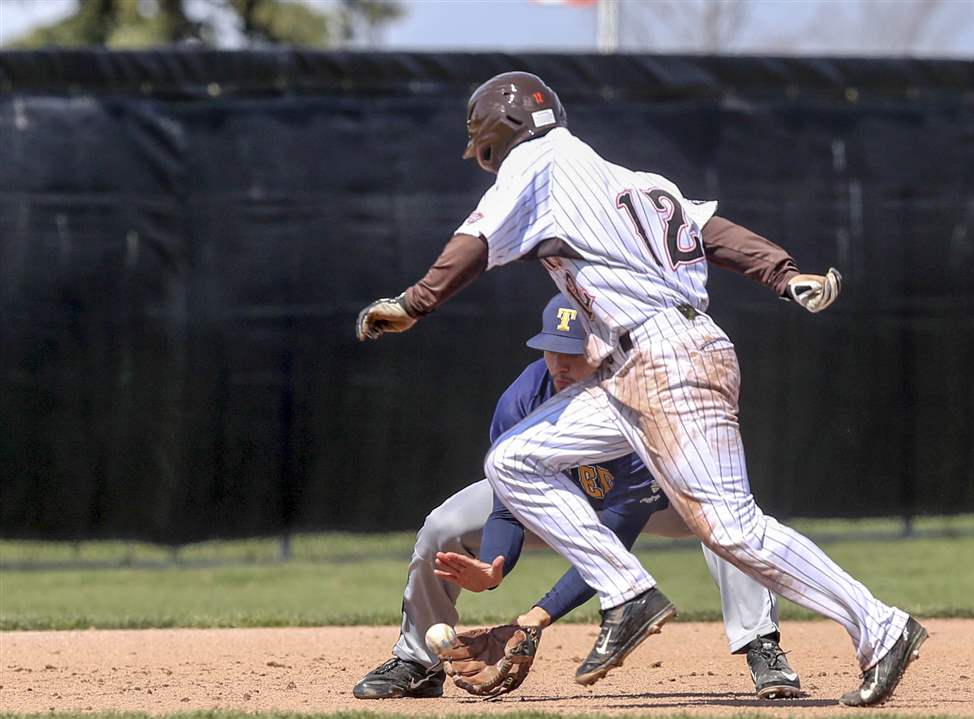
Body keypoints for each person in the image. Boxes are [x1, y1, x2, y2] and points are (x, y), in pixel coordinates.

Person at [355, 71, 926, 708]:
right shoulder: (636, 182)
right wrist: (784, 274)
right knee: (515, 459)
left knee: (733, 531)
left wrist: (415, 302)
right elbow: (716, 233)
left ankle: (880, 626)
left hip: (666, 359)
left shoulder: (538, 160)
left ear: (496, 133)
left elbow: (478, 239)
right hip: (636, 365)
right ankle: (627, 594)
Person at [353, 295, 802, 700]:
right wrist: (494, 568)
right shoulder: (524, 398)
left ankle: (762, 646)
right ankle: (418, 661)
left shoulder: (640, 404)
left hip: (661, 499)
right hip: (558, 497)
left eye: (574, 352)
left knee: (728, 518)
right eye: (552, 349)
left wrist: (535, 618)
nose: (560, 364)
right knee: (444, 526)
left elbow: (612, 542)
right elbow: (509, 507)